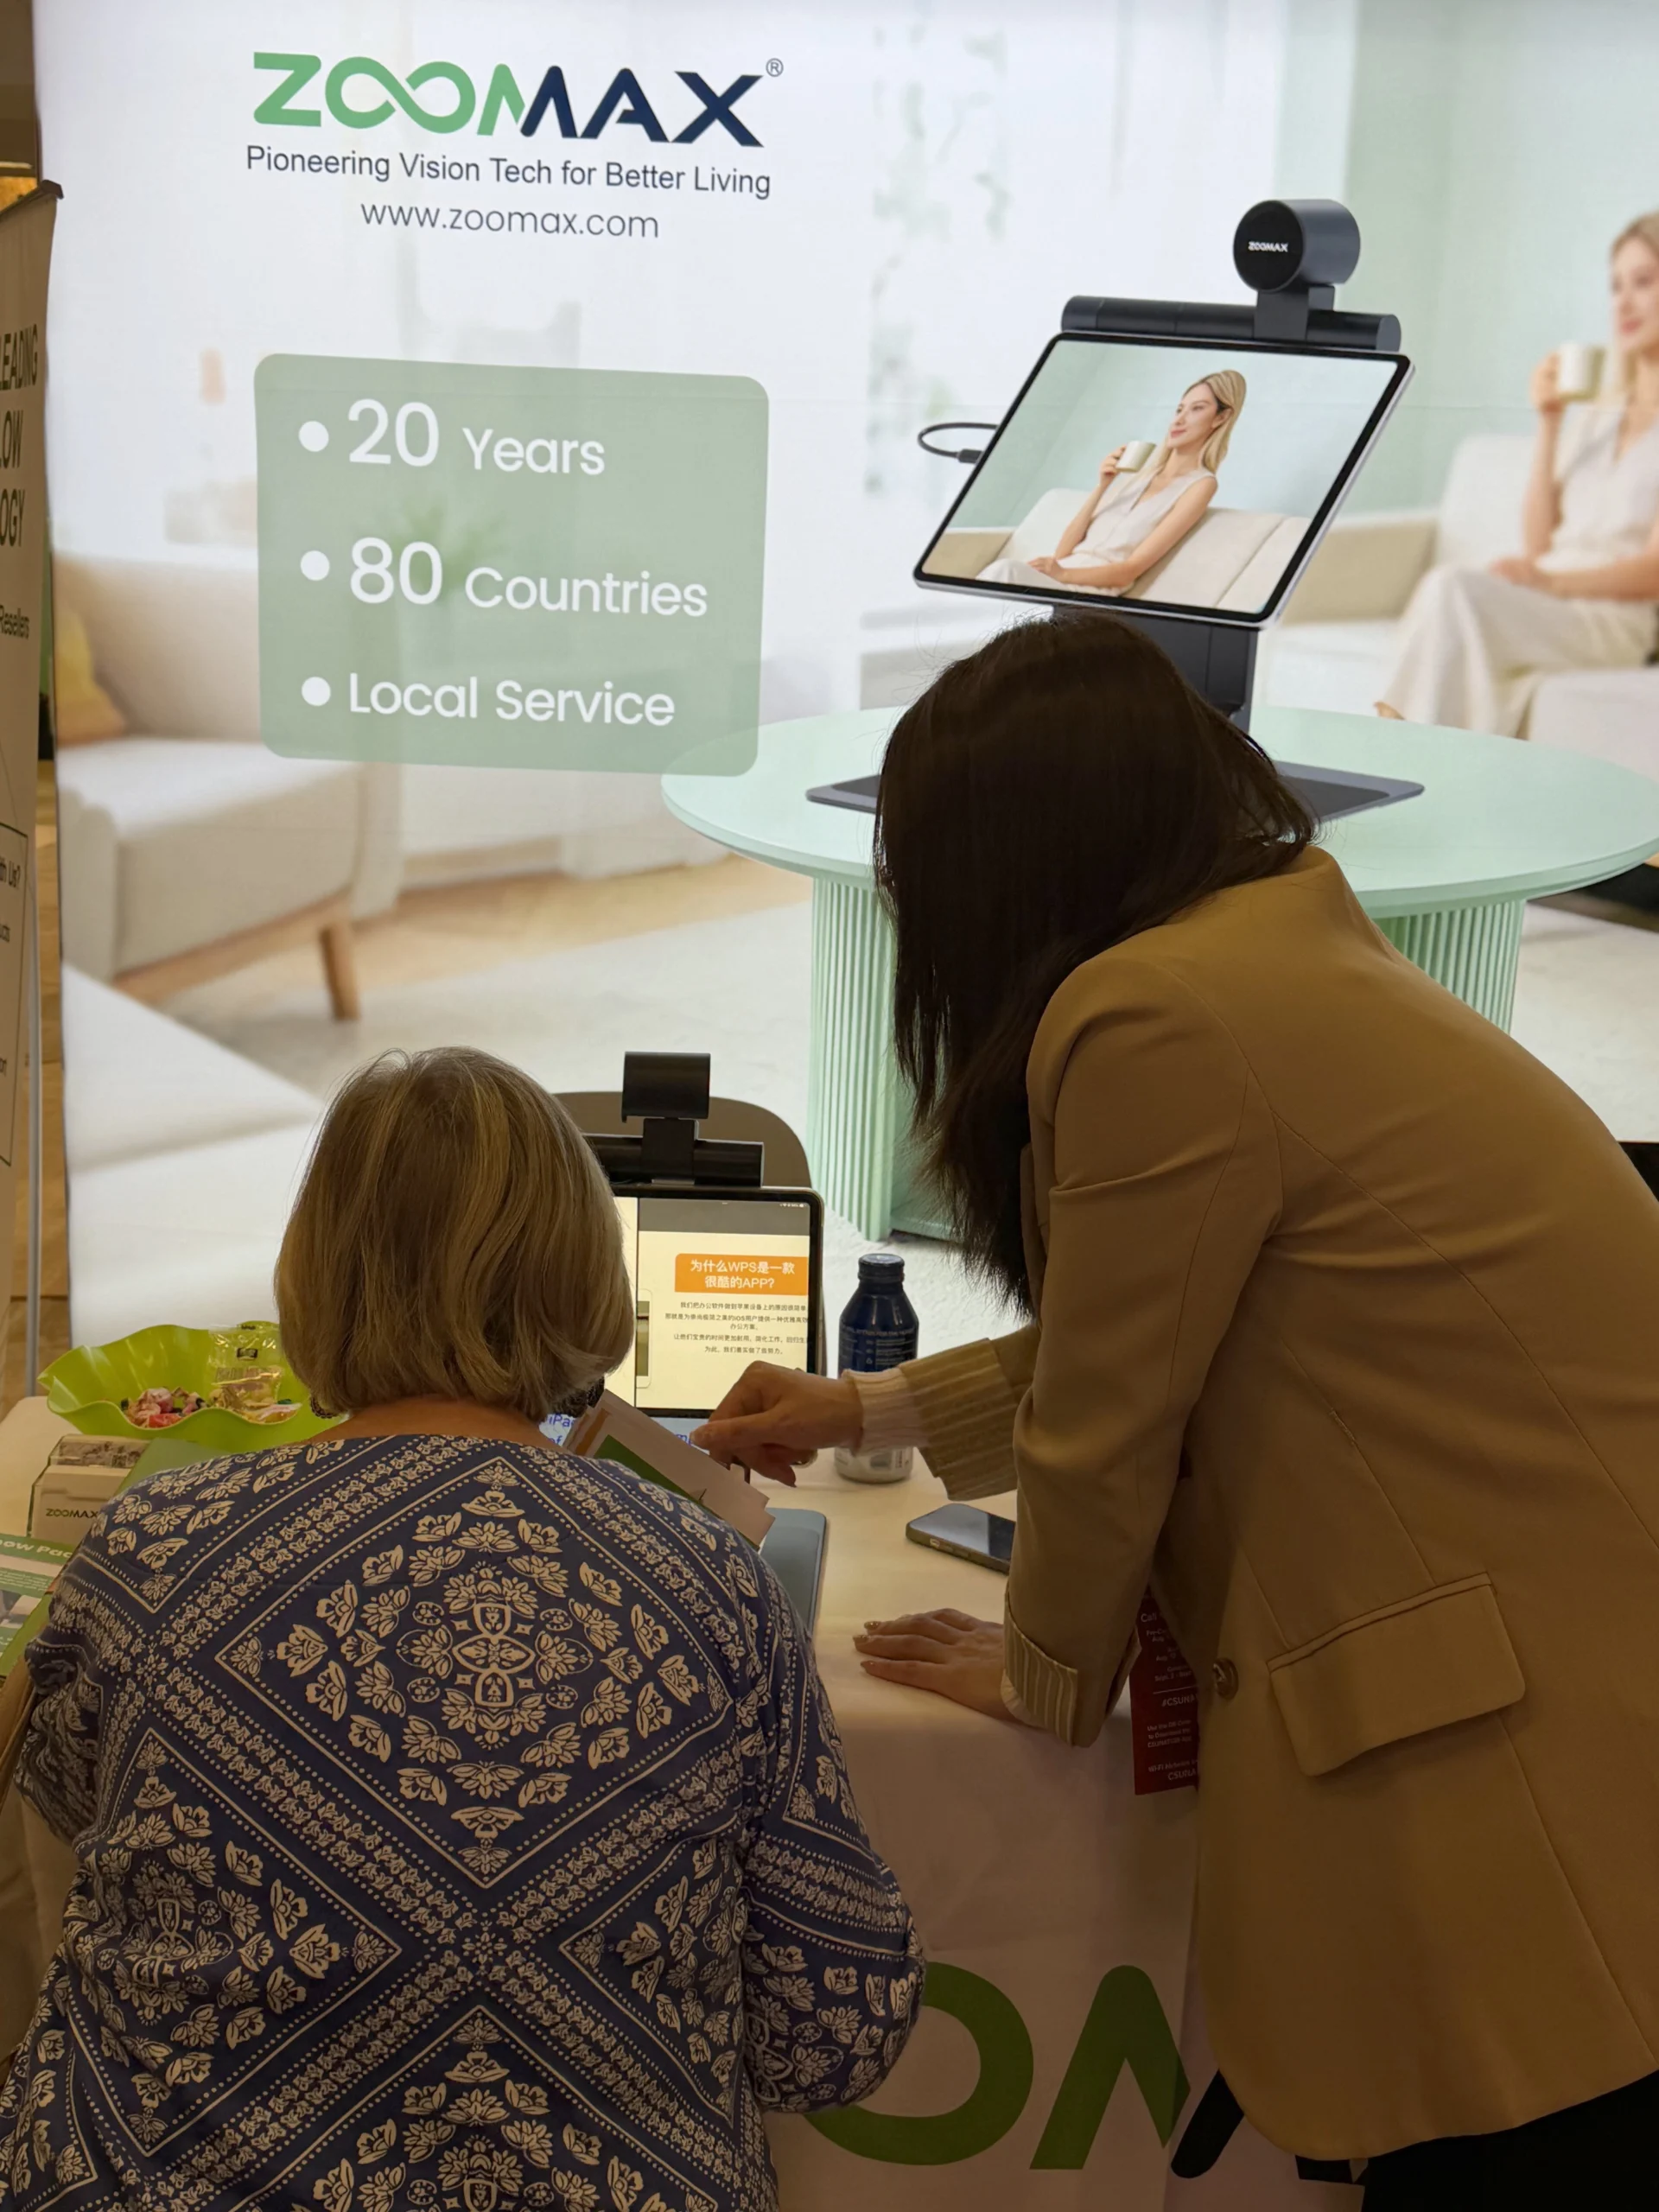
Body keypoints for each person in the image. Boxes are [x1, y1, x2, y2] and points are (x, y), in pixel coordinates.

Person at [694, 614, 1659, 2205]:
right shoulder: (1271, 950)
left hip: (1527, 1735)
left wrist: (1048, 1671)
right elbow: (1167, 1344)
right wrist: (865, 1405)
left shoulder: (1152, 1014)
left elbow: (1111, 1421)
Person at [0, 1048, 920, 2212]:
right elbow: (831, 2036)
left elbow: (76, 1844)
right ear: (587, 1278)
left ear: (312, 1274)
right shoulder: (717, 1588)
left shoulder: (148, 1549)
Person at [1377, 211, 1659, 734]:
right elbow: (1538, 544)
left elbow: (1653, 571)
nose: (1623, 301)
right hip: (1549, 599)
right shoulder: (1598, 414)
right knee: (1450, 592)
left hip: (1612, 621)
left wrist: (1548, 580)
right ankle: (1418, 751)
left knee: (1454, 590)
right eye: (1616, 285)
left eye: (1644, 282)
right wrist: (1550, 423)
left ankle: (1394, 740)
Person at [980, 369, 1245, 596]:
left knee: (1004, 571)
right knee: (998, 575)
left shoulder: (1200, 485)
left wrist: (1063, 574)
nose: (1178, 419)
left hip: (1092, 589)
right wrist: (1103, 485)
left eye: (1197, 409)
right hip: (1061, 576)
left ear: (1221, 417)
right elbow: (1062, 553)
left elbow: (1129, 571)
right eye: (1179, 409)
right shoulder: (1140, 474)